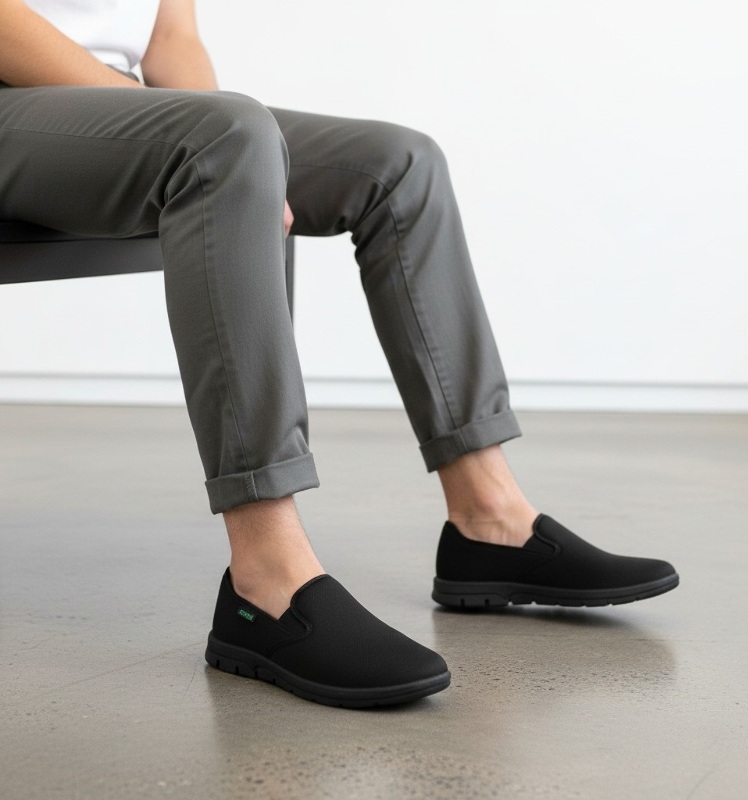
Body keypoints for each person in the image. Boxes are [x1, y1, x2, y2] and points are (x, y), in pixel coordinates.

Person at [0, 0, 679, 708]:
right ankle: (266, 581)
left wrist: (209, 127)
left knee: (399, 164)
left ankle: (490, 517)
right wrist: (204, 132)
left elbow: (172, 35)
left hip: (117, 107)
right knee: (224, 141)